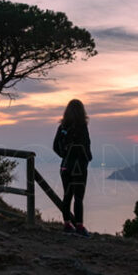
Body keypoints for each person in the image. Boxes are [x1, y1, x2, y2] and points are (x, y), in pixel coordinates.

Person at [52, 99, 92, 236]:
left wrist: (64, 156)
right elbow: (86, 146)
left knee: (67, 195)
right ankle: (80, 226)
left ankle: (67, 224)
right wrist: (87, 159)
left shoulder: (62, 127)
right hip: (79, 166)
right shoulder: (82, 126)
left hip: (65, 166)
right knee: (78, 197)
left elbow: (55, 147)